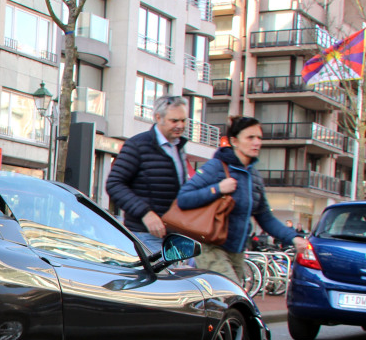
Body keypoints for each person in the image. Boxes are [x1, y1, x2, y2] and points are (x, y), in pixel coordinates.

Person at [176, 115, 308, 285]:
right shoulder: (216, 167)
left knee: (231, 302)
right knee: (230, 296)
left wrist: (293, 238)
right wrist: (218, 189)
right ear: (234, 141)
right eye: (250, 137)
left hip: (237, 252)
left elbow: (265, 217)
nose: (256, 143)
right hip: (211, 247)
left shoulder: (254, 176)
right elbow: (184, 199)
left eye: (259, 138)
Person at [106, 95, 191, 254]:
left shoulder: (178, 148)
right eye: (174, 121)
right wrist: (145, 213)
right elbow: (114, 184)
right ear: (158, 117)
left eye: (183, 120)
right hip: (145, 234)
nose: (180, 125)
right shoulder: (137, 145)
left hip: (173, 236)